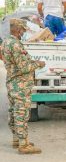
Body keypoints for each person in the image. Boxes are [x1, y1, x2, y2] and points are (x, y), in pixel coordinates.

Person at [1, 19, 45, 154]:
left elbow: (12, 61)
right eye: (22, 30)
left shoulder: (6, 42)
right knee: (21, 113)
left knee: (14, 111)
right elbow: (24, 67)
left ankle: (17, 139)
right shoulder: (15, 44)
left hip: (13, 82)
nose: (23, 33)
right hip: (20, 84)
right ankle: (24, 145)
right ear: (18, 29)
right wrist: (39, 64)